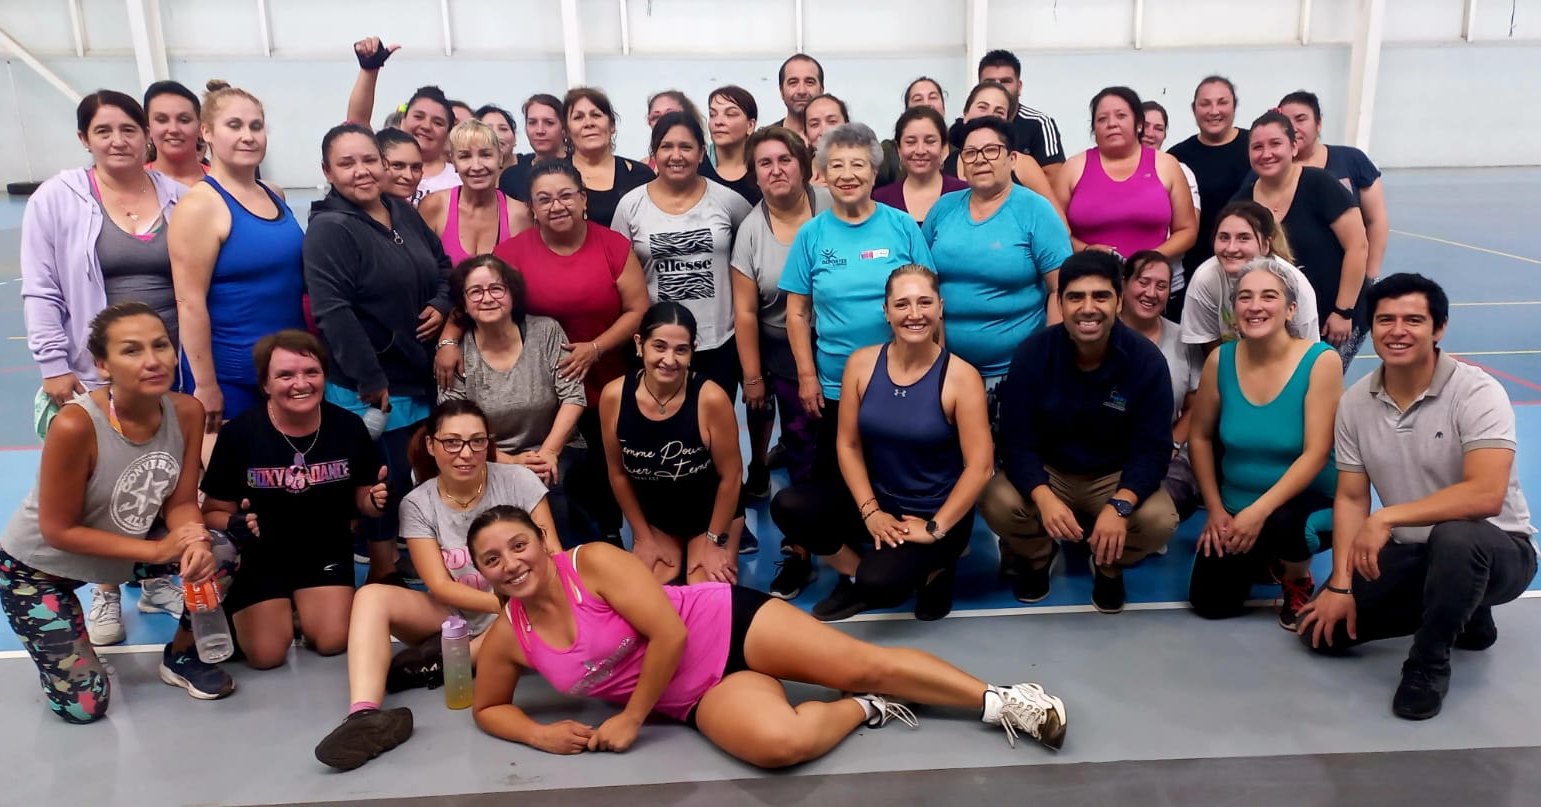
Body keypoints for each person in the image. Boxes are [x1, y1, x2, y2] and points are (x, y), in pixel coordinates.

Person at [467, 506, 1068, 766]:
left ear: (541, 544)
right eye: (492, 559)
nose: (510, 563)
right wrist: (539, 736)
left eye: (519, 545)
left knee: (858, 661)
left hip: (724, 623)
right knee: (779, 747)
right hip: (693, 697)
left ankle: (1006, 701)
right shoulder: (508, 637)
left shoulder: (591, 563)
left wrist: (629, 718)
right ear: (482, 572)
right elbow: (489, 707)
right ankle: (867, 711)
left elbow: (669, 634)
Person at [1296, 274, 1537, 720]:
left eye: (1413, 320)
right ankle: (1467, 610)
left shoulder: (1476, 392)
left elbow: (1486, 495)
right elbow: (1350, 500)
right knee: (1321, 633)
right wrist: (1342, 584)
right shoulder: (1355, 403)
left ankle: (1428, 662)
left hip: (1498, 551)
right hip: (1416, 552)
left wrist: (1389, 518)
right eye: (1385, 320)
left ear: (1438, 328)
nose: (1397, 331)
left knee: (1457, 539)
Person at [0, 303, 239, 722]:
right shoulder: (76, 425)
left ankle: (181, 656)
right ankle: (69, 643)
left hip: (120, 551)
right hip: (38, 568)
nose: (152, 360)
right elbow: (57, 530)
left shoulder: (186, 412)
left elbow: (182, 502)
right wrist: (160, 550)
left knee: (218, 552)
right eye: (131, 351)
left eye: (161, 345)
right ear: (102, 364)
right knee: (83, 708)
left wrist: (192, 540)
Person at [22, 91, 191, 642]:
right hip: (95, 364)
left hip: (167, 359)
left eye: (128, 129)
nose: (118, 140)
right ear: (83, 139)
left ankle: (154, 574)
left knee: (156, 474)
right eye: (103, 131)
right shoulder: (58, 198)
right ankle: (104, 590)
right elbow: (42, 286)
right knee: (101, 481)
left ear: (146, 136)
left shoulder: (178, 196)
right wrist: (52, 360)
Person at [312, 400, 562, 771]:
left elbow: (554, 556)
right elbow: (440, 586)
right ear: (431, 445)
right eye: (453, 442)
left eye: (477, 442)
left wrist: (518, 607)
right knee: (371, 596)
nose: (466, 453)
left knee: (539, 639)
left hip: (526, 611)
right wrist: (498, 606)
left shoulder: (519, 481)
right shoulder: (418, 502)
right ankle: (364, 715)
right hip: (457, 615)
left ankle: (438, 662)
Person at [772, 266, 993, 622]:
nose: (915, 314)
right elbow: (848, 445)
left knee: (884, 584)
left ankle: (935, 569)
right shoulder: (861, 364)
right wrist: (871, 511)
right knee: (788, 505)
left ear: (940, 307)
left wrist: (936, 527)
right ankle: (855, 574)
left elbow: (981, 467)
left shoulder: (961, 378)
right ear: (886, 311)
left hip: (930, 511)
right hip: (880, 501)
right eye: (902, 304)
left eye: (924, 302)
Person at [773, 122, 936, 600]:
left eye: (858, 165)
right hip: (835, 386)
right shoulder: (811, 235)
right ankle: (851, 571)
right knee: (837, 484)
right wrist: (806, 375)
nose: (847, 174)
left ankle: (918, 562)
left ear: (874, 171)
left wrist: (935, 372)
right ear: (821, 173)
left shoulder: (901, 225)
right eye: (837, 165)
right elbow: (797, 311)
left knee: (904, 479)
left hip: (903, 382)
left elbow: (927, 299)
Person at [979, 252, 1177, 613]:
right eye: (1076, 297)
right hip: (1051, 472)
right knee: (996, 500)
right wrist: (1044, 497)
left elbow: (1152, 450)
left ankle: (1107, 565)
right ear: (1060, 303)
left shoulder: (1146, 361)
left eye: (1100, 296)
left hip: (1113, 475)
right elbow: (1016, 442)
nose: (1089, 308)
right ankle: (1038, 556)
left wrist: (1120, 506)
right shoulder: (1032, 354)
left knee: (1160, 520)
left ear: (1118, 301)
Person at [303, 124, 453, 582]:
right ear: (328, 172)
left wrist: (441, 304)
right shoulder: (329, 230)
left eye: (369, 160)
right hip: (371, 386)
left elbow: (444, 268)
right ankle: (381, 575)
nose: (361, 171)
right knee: (379, 482)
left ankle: (409, 562)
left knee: (410, 477)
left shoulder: (400, 211)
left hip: (416, 374)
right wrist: (371, 380)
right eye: (347, 163)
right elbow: (334, 312)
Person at [200, 330, 388, 669]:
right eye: (285, 375)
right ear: (266, 384)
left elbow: (363, 497)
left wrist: (372, 502)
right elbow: (211, 512)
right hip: (261, 557)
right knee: (266, 656)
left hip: (326, 553)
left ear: (324, 378)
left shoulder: (348, 427)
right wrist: (235, 524)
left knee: (332, 641)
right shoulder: (239, 434)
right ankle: (266, 611)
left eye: (311, 372)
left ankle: (302, 611)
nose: (300, 383)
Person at [490, 162, 650, 546]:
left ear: (583, 199)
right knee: (556, 469)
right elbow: (485, 306)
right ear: (531, 208)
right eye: (544, 199)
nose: (556, 205)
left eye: (565, 195)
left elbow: (637, 309)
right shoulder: (510, 253)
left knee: (605, 462)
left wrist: (595, 349)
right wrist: (449, 342)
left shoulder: (612, 245)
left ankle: (608, 533)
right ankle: (556, 541)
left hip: (605, 375)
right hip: (540, 388)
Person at [1187, 260, 1342, 628]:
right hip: (1237, 503)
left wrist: (1257, 513)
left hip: (1301, 504)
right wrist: (1216, 510)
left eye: (1268, 296)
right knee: (1210, 604)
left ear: (1291, 308)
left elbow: (1317, 452)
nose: (1255, 306)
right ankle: (1263, 557)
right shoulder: (1219, 360)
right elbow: (1200, 436)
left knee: (1288, 528)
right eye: (1245, 297)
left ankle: (1296, 575)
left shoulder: (1321, 361)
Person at [169, 80, 306, 432]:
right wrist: (206, 385)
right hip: (231, 378)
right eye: (235, 126)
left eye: (256, 126)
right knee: (230, 485)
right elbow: (190, 302)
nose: (248, 136)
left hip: (287, 374)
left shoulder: (274, 194)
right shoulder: (200, 205)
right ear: (207, 133)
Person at [732, 127, 831, 583]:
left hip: (845, 345)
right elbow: (747, 311)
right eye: (765, 163)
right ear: (754, 175)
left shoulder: (833, 205)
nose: (776, 169)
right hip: (785, 356)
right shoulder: (752, 230)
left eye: (784, 159)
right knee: (804, 450)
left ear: (804, 163)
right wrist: (753, 376)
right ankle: (800, 549)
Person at [922, 116, 1072, 403]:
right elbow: (921, 281)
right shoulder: (943, 209)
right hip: (946, 370)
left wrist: (1047, 358)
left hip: (1016, 372)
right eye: (970, 153)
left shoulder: (1035, 210)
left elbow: (1061, 290)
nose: (980, 160)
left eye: (991, 150)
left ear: (1012, 158)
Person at [601, 303, 746, 585]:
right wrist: (642, 536)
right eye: (659, 347)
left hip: (711, 516)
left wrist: (715, 541)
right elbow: (617, 474)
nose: (669, 359)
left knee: (707, 594)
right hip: (656, 521)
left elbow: (732, 477)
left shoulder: (711, 399)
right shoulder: (614, 397)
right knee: (644, 595)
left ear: (692, 351)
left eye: (681, 350)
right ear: (639, 345)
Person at [612, 112, 752, 402]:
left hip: (718, 343)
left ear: (702, 153)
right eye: (666, 146)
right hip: (659, 348)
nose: (676, 155)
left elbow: (754, 253)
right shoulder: (630, 206)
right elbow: (618, 277)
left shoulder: (728, 201)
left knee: (715, 434)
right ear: (654, 154)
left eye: (686, 147)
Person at [440, 255, 584, 500]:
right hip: (484, 455)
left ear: (512, 295)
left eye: (497, 289)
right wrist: (511, 461)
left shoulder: (545, 331)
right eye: (475, 292)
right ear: (463, 303)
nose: (487, 298)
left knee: (548, 485)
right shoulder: (455, 354)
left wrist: (548, 452)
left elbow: (573, 397)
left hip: (556, 450)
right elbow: (455, 423)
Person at [1235, 111, 1370, 369]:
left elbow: (1357, 246)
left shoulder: (1320, 185)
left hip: (1335, 317)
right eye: (1257, 147)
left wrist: (1344, 311)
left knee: (1319, 383)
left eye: (1275, 144)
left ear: (1294, 146)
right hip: (1284, 320)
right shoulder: (1244, 200)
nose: (1266, 153)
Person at [1056, 86, 1197, 262]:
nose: (1112, 123)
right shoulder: (1072, 168)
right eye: (1102, 119)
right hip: (1088, 279)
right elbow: (1053, 231)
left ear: (1139, 124)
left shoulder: (1166, 165)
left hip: (1150, 280)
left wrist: (1149, 259)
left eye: (1121, 116)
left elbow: (1187, 230)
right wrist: (1086, 251)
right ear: (1093, 128)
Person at [1120, 251, 1202, 520]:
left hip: (1167, 452)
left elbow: (1196, 406)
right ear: (1123, 284)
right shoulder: (1101, 333)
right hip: (1106, 452)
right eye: (1143, 282)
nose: (1151, 293)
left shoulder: (1183, 338)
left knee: (1161, 503)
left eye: (1162, 286)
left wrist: (1173, 443)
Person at [1278, 90, 1390, 281]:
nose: (1293, 127)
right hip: (1292, 277)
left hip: (1347, 275)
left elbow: (1376, 220)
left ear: (1318, 123)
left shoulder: (1352, 160)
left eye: (1301, 119)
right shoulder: (1273, 169)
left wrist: (1369, 275)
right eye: (1286, 122)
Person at [1181, 200, 1319, 354]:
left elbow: (1308, 351)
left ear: (1266, 245)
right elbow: (1210, 347)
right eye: (1224, 237)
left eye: (1244, 238)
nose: (1231, 248)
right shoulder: (1206, 278)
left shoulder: (1294, 283)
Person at [1168, 76, 1252, 311]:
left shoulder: (1255, 147)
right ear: (1194, 109)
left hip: (1249, 265)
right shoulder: (1176, 157)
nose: (1214, 111)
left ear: (1234, 105)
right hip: (1196, 269)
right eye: (1205, 104)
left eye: (1222, 102)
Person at [345, 38, 460, 200]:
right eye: (418, 116)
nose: (426, 126)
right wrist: (369, 69)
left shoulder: (460, 178)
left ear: (449, 131)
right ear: (402, 120)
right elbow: (356, 123)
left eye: (438, 122)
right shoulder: (376, 163)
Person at [418, 119, 532, 266]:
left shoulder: (520, 214)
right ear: (453, 162)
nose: (476, 166)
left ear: (500, 158)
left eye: (485, 155)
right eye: (465, 156)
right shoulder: (434, 206)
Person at [941, 82, 1058, 210]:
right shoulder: (945, 163)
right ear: (965, 113)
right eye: (982, 107)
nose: (990, 115)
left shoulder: (1023, 164)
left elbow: (1058, 223)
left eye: (999, 111)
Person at [564, 87, 654, 229]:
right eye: (578, 117)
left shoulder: (641, 176)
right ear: (567, 131)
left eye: (596, 115)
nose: (588, 123)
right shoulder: (552, 176)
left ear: (612, 125)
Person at [973, 49, 1065, 178]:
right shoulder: (963, 124)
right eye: (990, 82)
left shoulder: (1039, 123)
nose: (998, 88)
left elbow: (1055, 178)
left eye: (1005, 81)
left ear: (1019, 87)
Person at [873, 106, 967, 226]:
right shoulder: (881, 200)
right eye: (911, 142)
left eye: (930, 141)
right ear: (899, 149)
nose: (920, 150)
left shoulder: (964, 194)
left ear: (943, 147)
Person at [496, 93, 569, 205]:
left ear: (564, 128)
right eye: (532, 123)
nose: (539, 130)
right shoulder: (512, 176)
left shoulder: (579, 167)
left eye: (549, 123)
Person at [143, 80, 207, 188]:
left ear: (201, 128)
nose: (174, 129)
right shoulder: (132, 183)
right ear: (148, 129)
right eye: (162, 120)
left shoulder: (223, 183)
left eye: (184, 120)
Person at [1140, 101, 1200, 213]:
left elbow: (1191, 224)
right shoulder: (1112, 166)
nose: (1150, 134)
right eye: (1145, 125)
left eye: (1158, 128)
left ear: (1165, 135)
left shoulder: (1181, 171)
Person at [706, 85, 761, 205]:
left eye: (730, 114)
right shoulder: (697, 164)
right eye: (712, 114)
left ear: (750, 125)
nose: (718, 122)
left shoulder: (764, 167)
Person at [643, 90, 705, 173]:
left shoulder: (706, 166)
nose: (663, 121)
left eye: (670, 114)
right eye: (656, 117)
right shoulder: (642, 168)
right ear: (649, 121)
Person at [770, 53, 825, 145]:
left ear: (821, 90)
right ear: (781, 91)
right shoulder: (766, 141)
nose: (802, 91)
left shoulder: (840, 141)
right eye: (793, 83)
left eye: (809, 82)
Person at [803, 94, 850, 172]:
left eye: (832, 122)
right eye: (814, 124)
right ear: (806, 134)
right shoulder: (800, 174)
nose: (824, 131)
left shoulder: (869, 168)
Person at [377, 127, 425, 203]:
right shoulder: (355, 212)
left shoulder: (411, 213)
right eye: (397, 165)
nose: (409, 176)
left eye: (416, 167)